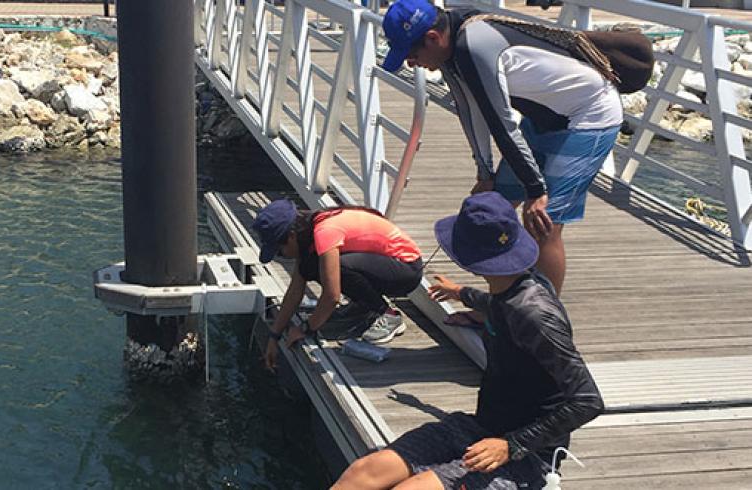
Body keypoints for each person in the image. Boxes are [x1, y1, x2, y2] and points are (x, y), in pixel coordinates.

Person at [332, 192, 603, 490]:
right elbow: (498, 303)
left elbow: (588, 400)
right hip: (480, 426)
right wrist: (461, 293)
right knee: (363, 472)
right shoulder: (511, 289)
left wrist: (511, 445)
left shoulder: (535, 315)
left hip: (527, 454)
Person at [381, 0, 623, 306]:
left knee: (543, 223)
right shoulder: (450, 49)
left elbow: (502, 123)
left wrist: (535, 190)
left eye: (411, 55)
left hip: (590, 116)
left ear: (433, 37)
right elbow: (470, 112)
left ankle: (542, 316)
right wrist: (485, 174)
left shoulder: (472, 46)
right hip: (546, 117)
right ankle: (502, 306)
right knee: (494, 206)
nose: (411, 63)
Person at [252, 199, 423, 369]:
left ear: (291, 236)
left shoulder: (324, 232)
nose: (283, 256)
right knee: (310, 266)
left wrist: (305, 328)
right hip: (383, 263)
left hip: (406, 268)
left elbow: (332, 296)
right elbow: (295, 291)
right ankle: (363, 305)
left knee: (335, 267)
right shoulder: (306, 233)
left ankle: (388, 314)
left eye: (280, 252)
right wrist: (274, 336)